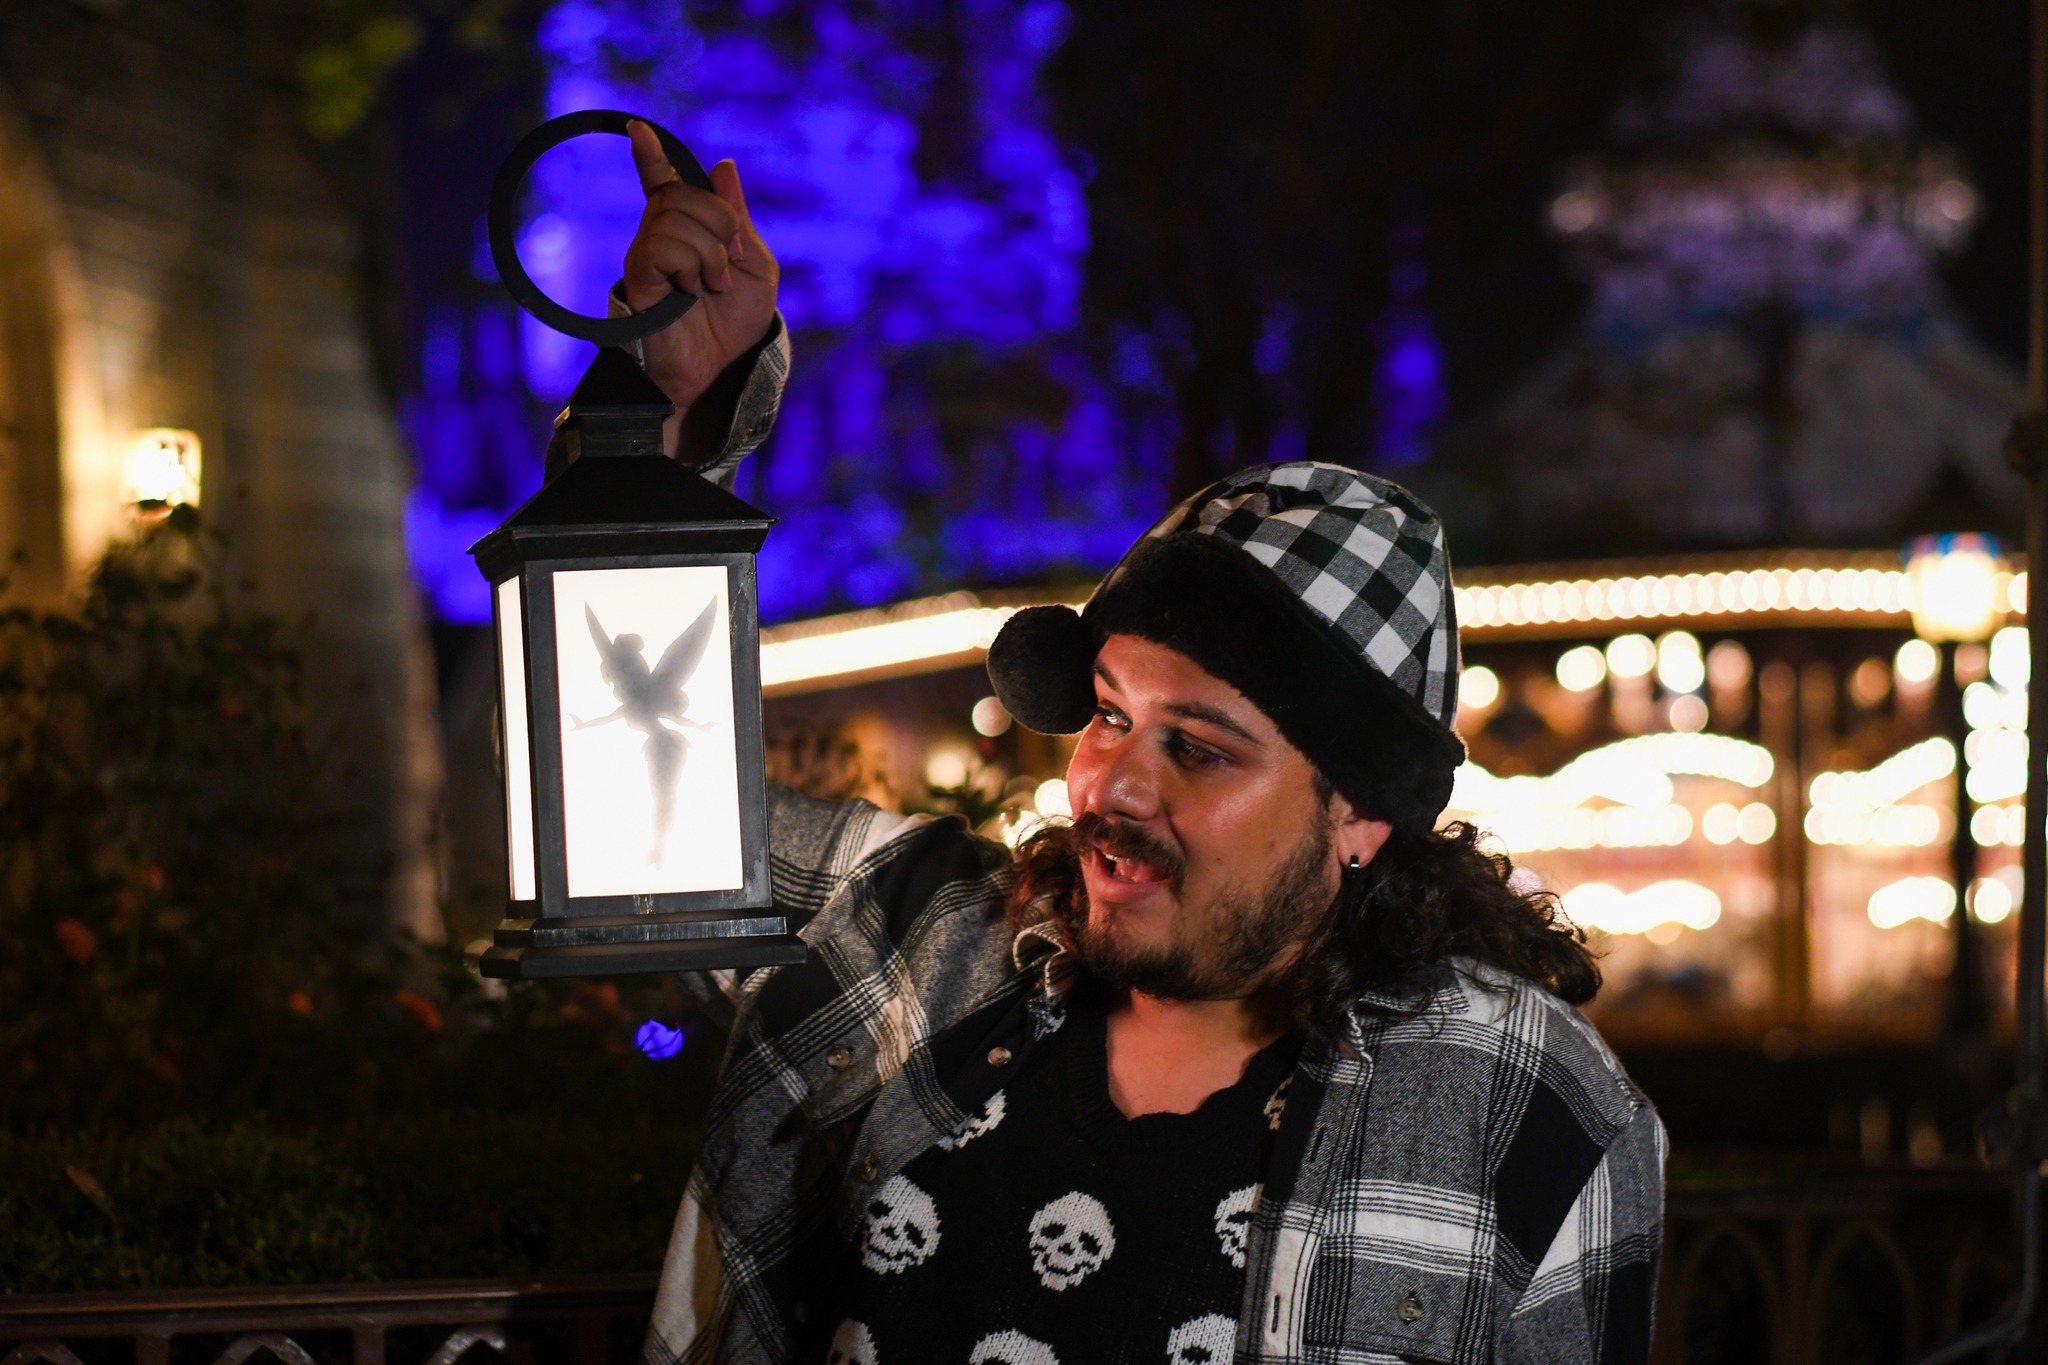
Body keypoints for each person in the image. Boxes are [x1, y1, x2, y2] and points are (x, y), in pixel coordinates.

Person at [612, 121, 1665, 1365]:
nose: (1108, 780)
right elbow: (617, 819)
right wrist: (660, 423)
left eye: (1199, 749)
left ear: (1359, 815)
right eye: (1110, 713)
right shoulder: (918, 943)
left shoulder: (1520, 1101)